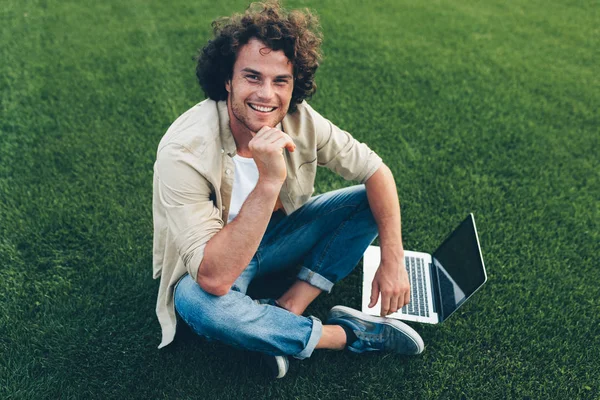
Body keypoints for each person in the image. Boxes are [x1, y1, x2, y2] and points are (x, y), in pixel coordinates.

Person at [152, 1, 424, 378]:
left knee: (368, 202)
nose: (267, 95)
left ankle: (289, 308)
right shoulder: (183, 152)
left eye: (281, 81)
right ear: (227, 80)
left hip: (278, 239)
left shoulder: (300, 118)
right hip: (214, 263)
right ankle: (348, 335)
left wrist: (394, 260)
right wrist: (268, 181)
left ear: (295, 85)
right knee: (198, 303)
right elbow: (214, 277)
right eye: (252, 77)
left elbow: (376, 171)